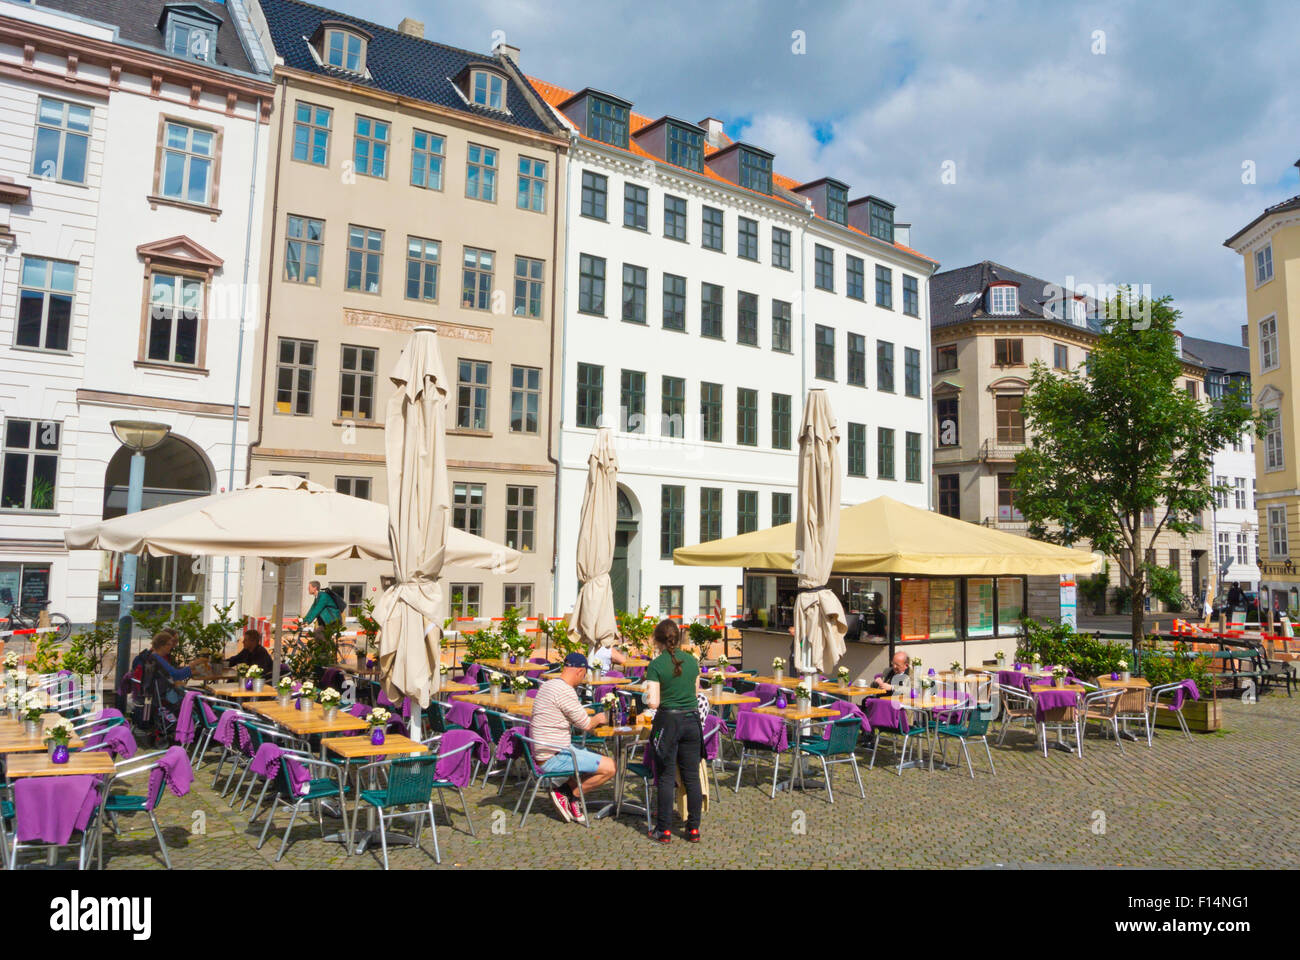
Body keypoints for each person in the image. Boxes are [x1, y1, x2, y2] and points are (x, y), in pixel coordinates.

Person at [529, 652, 614, 824]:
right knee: (611, 767)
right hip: (554, 756)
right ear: (580, 671)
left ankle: (568, 792)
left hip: (544, 751)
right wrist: (601, 717)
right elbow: (586, 725)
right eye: (584, 675)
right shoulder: (565, 691)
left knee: (588, 754)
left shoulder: (548, 685)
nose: (583, 679)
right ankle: (570, 795)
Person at [643, 619, 703, 844]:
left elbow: (654, 703)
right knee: (691, 777)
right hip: (691, 720)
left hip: (668, 721)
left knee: (667, 777)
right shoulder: (692, 661)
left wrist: (646, 695)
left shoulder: (656, 665)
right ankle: (693, 829)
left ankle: (664, 830)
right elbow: (695, 694)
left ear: (657, 640)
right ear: (678, 638)